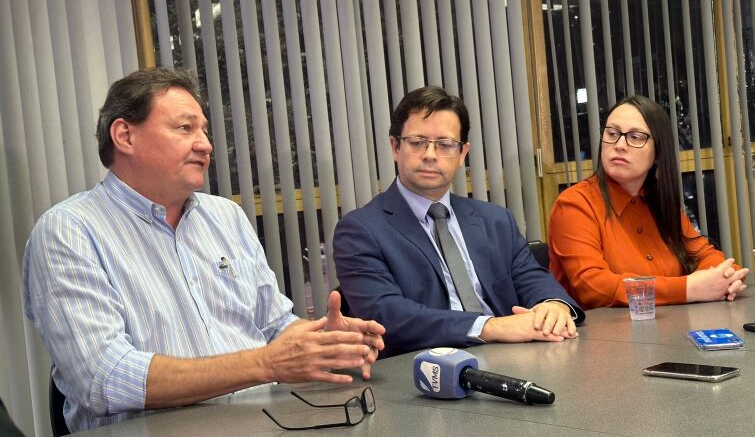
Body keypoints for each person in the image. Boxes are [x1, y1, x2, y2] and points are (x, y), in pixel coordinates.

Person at [22, 67, 385, 432]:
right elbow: (104, 376)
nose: (206, 144)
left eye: (204, 130)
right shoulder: (69, 231)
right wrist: (266, 364)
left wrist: (326, 342)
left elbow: (274, 326)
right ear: (124, 136)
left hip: (267, 423)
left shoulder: (224, 216)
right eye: (185, 128)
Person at [333, 86, 584, 358]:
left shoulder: (495, 220)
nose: (430, 154)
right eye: (417, 142)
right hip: (426, 374)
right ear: (395, 147)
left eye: (445, 144)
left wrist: (553, 306)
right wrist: (489, 327)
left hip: (516, 361)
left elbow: (533, 278)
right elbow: (387, 316)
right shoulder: (360, 230)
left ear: (463, 153)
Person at [547, 95, 749, 310]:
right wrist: (689, 288)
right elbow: (593, 287)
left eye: (635, 137)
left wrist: (724, 278)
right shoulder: (574, 204)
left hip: (670, 330)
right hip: (603, 338)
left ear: (658, 152)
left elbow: (707, 255)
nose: (620, 145)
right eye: (612, 133)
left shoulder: (658, 202)